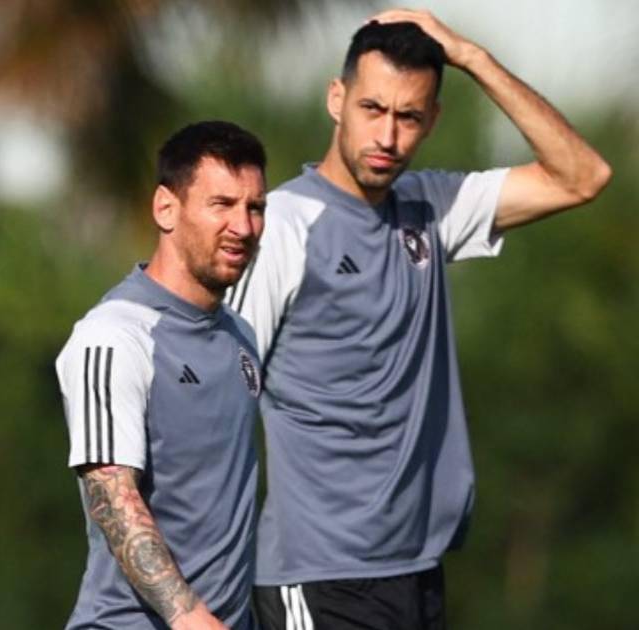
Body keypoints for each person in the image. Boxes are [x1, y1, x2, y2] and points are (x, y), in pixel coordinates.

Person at [226, 10, 611, 630]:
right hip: (317, 576)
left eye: (408, 117)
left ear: (431, 120)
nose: (387, 135)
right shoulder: (283, 228)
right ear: (336, 99)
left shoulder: (430, 208)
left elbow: (582, 176)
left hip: (418, 570)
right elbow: (219, 406)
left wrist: (472, 58)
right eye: (372, 109)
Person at [57, 121, 269, 629]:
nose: (243, 226)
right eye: (222, 204)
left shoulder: (240, 335)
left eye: (255, 207)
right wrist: (189, 616)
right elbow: (113, 498)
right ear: (165, 208)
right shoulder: (114, 335)